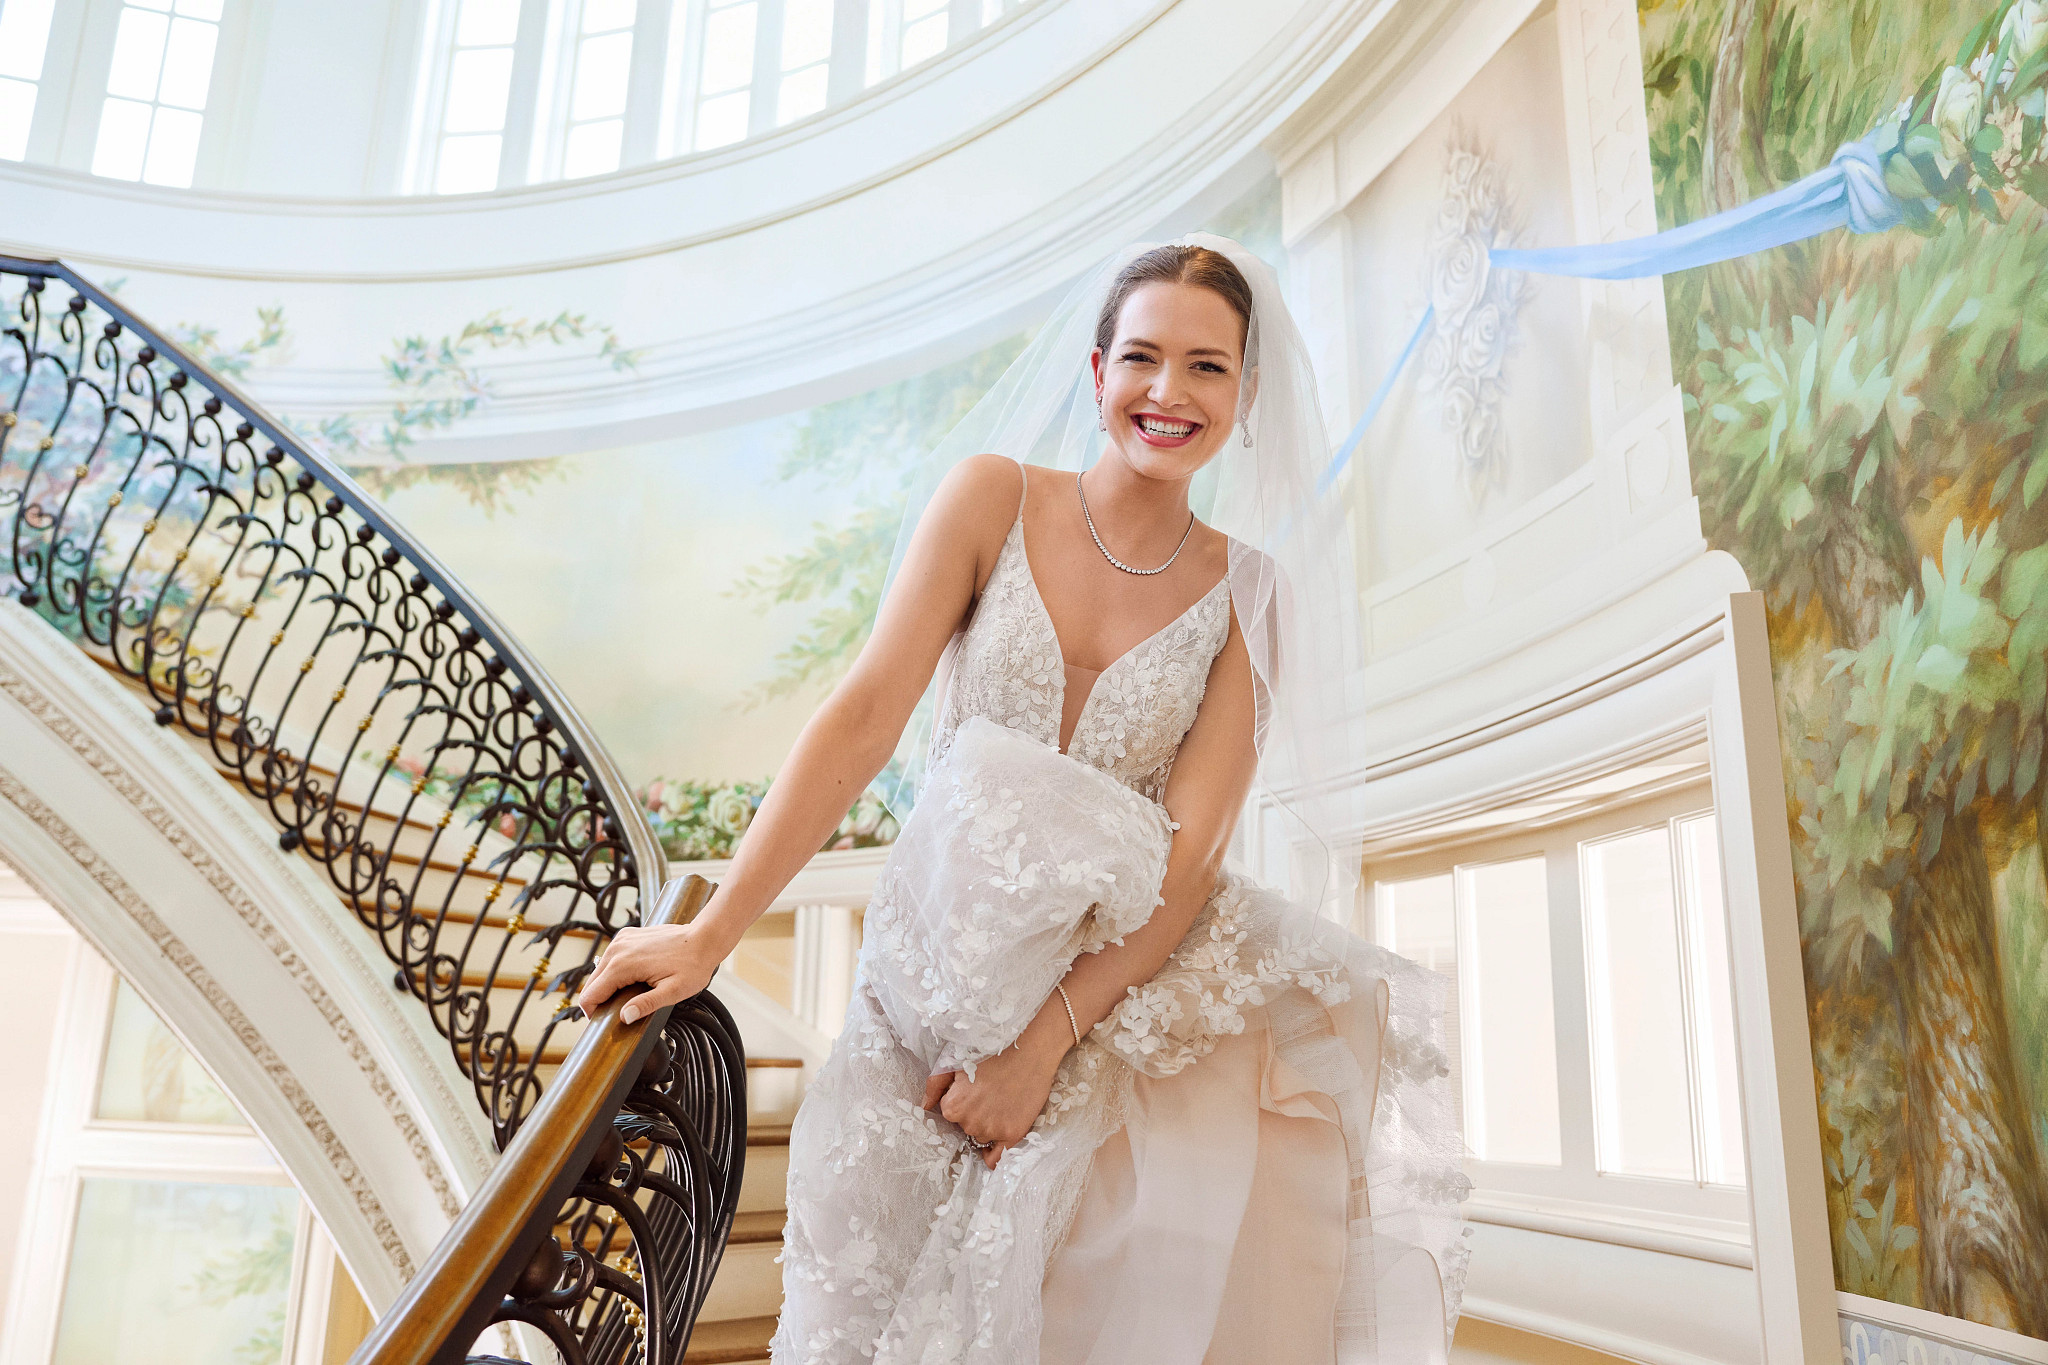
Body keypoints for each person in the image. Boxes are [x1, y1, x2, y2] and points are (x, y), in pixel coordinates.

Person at [578, 237, 1467, 1363]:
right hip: (918, 998)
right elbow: (861, 718)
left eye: (1205, 367)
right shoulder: (992, 499)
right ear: (1095, 373)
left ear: (1246, 398)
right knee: (853, 1314)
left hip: (1096, 1018)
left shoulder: (1251, 596)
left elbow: (1187, 856)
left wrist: (1041, 1049)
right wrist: (712, 931)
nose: (1165, 391)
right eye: (1140, 357)